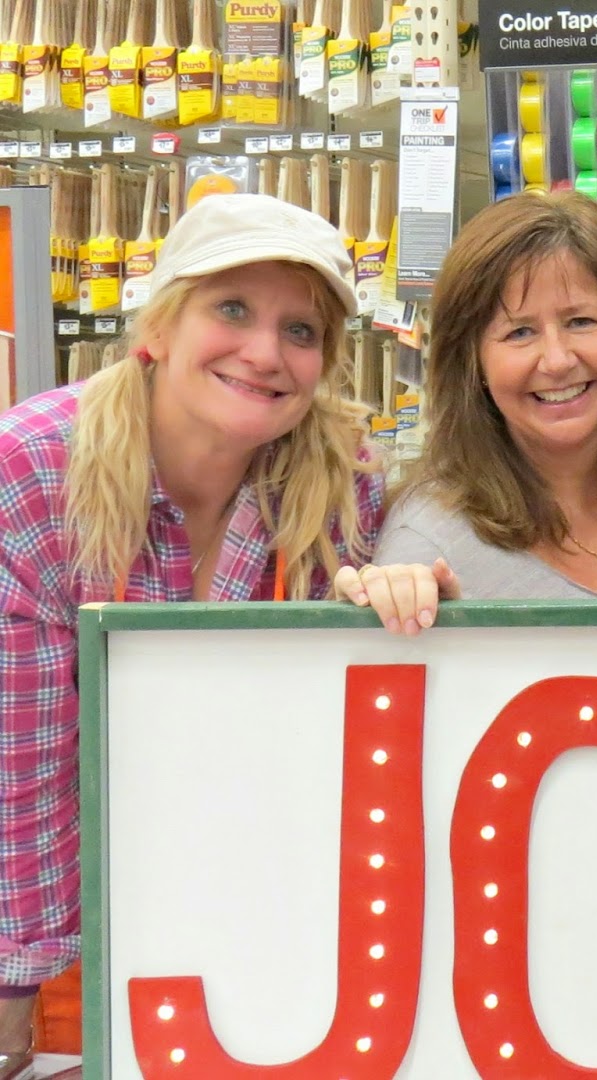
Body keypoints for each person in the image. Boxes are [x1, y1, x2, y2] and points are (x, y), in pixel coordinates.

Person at [0, 193, 385, 1074]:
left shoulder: (344, 485)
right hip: (72, 940)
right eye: (233, 310)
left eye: (301, 330)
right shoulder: (30, 474)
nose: (265, 352)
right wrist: (14, 1005)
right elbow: (20, 775)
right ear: (161, 327)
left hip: (274, 932)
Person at [335, 190, 597, 624]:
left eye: (581, 321)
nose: (557, 360)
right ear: (472, 363)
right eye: (519, 333)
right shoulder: (428, 543)